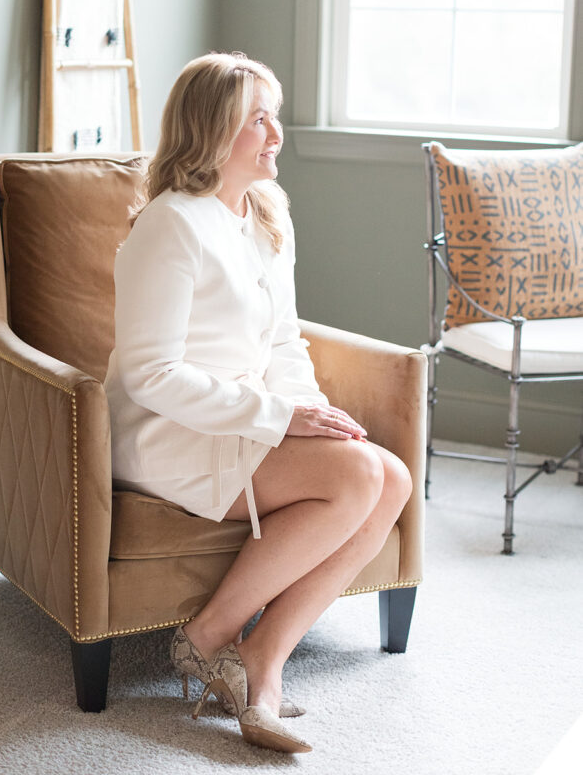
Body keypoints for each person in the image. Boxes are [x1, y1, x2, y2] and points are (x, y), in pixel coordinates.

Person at [103, 51, 412, 754]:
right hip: (167, 431)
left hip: (247, 418)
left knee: (388, 476)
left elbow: (282, 342)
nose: (276, 134)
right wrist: (280, 418)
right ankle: (208, 634)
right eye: (257, 119)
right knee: (360, 475)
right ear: (212, 130)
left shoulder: (266, 215)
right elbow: (151, 375)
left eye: (274, 116)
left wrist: (312, 416)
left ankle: (261, 660)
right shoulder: (170, 224)